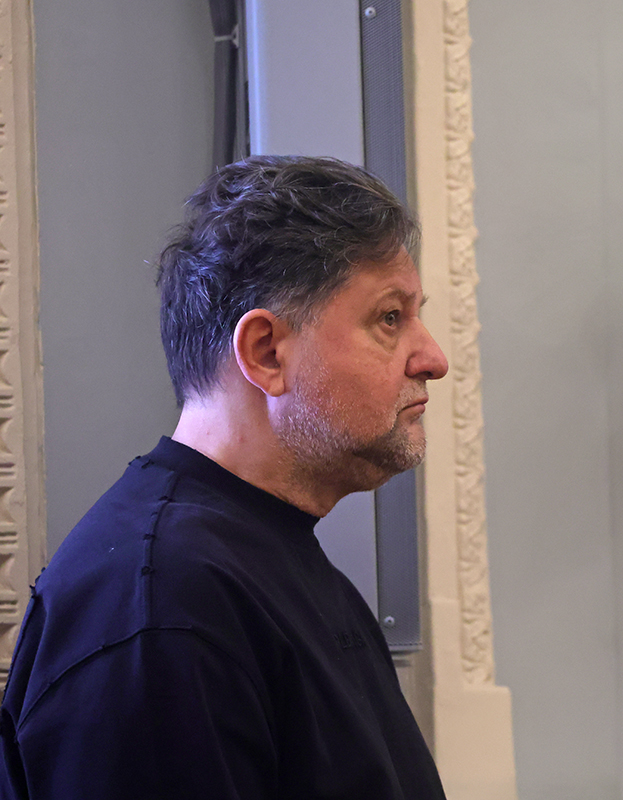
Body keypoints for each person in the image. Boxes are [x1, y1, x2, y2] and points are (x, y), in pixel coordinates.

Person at [0, 155, 450, 799]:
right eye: (389, 318)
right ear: (266, 352)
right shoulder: (163, 604)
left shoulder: (261, 560)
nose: (432, 358)